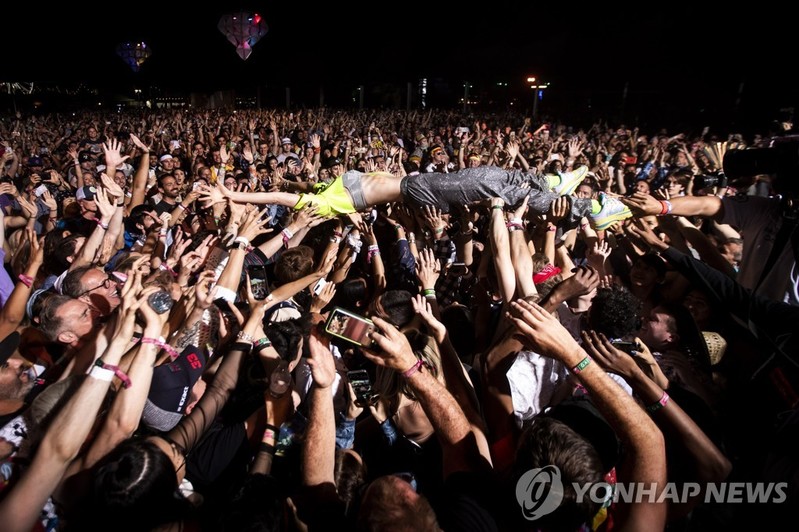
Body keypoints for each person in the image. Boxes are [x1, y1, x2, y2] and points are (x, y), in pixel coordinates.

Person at [201, 165, 632, 230]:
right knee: (491, 183)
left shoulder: (317, 189)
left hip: (419, 182)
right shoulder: (323, 204)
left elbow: (290, 185)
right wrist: (232, 194)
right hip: (415, 190)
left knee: (493, 177)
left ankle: (552, 188)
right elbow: (276, 195)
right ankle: (586, 209)